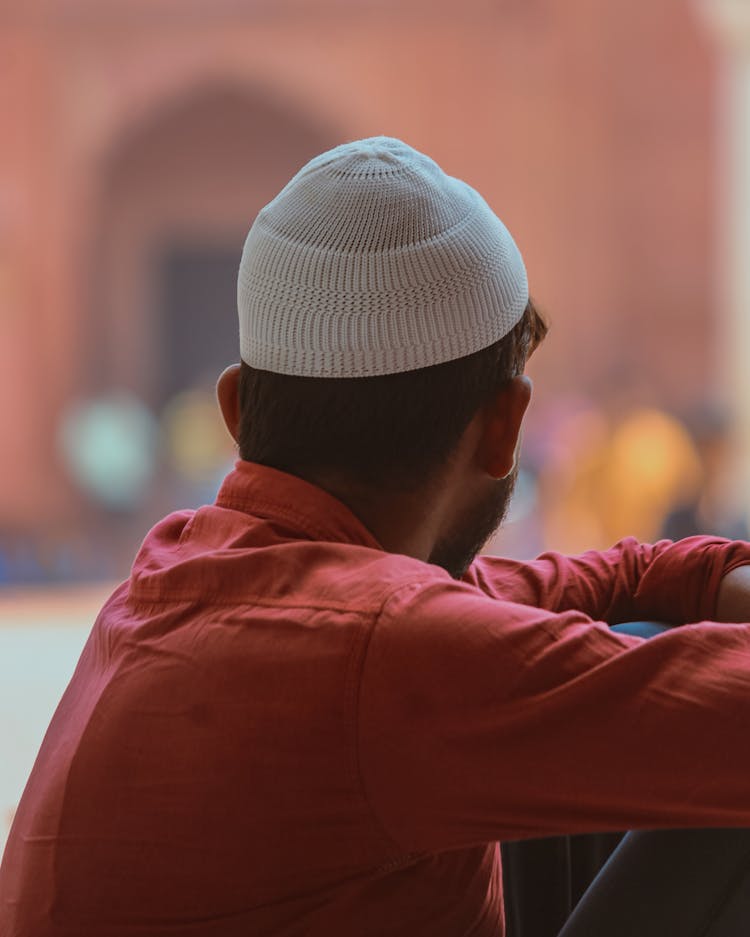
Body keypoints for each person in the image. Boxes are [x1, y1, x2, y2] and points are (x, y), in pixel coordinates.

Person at [3, 136, 750, 937]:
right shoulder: (380, 652)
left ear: (234, 410)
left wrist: (709, 575)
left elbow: (534, 593)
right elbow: (418, 640)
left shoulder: (190, 565)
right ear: (506, 426)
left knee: (632, 641)